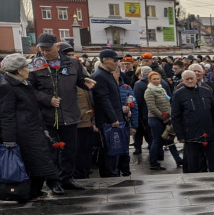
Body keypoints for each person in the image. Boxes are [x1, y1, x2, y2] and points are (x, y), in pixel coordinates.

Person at [27, 33, 94, 190]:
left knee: (70, 150)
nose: (44, 53)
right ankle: (53, 181)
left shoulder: (73, 63)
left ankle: (67, 179)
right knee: (52, 151)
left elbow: (81, 80)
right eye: (41, 50)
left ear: (57, 47)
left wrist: (87, 83)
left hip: (70, 115)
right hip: (48, 117)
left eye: (48, 50)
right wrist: (46, 99)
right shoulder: (35, 65)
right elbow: (30, 88)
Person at [1, 54, 64, 199]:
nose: (28, 69)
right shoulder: (7, 87)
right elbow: (6, 114)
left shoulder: (24, 84)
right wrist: (8, 139)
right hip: (24, 133)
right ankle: (25, 192)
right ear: (18, 70)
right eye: (25, 67)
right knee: (36, 162)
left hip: (34, 129)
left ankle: (33, 192)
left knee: (40, 161)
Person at [91, 49, 132, 178]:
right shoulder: (100, 76)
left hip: (115, 117)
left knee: (115, 150)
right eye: (114, 61)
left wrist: (121, 110)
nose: (117, 63)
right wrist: (113, 118)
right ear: (105, 60)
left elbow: (112, 99)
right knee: (110, 150)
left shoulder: (107, 74)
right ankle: (109, 175)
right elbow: (103, 100)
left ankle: (113, 172)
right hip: (108, 121)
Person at [171, 69, 214, 172]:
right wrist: (180, 135)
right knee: (193, 162)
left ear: (196, 79)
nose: (189, 81)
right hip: (191, 134)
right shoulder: (178, 94)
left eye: (191, 78)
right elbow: (176, 116)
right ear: (183, 81)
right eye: (187, 79)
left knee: (212, 161)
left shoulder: (206, 91)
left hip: (208, 132)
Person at [143, 71, 182, 170]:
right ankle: (153, 163)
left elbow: (167, 103)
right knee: (157, 141)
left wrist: (169, 116)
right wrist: (163, 117)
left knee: (169, 139)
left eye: (158, 78)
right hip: (155, 119)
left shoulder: (161, 89)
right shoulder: (149, 91)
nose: (156, 80)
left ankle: (178, 160)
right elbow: (152, 107)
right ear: (150, 80)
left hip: (166, 118)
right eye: (154, 79)